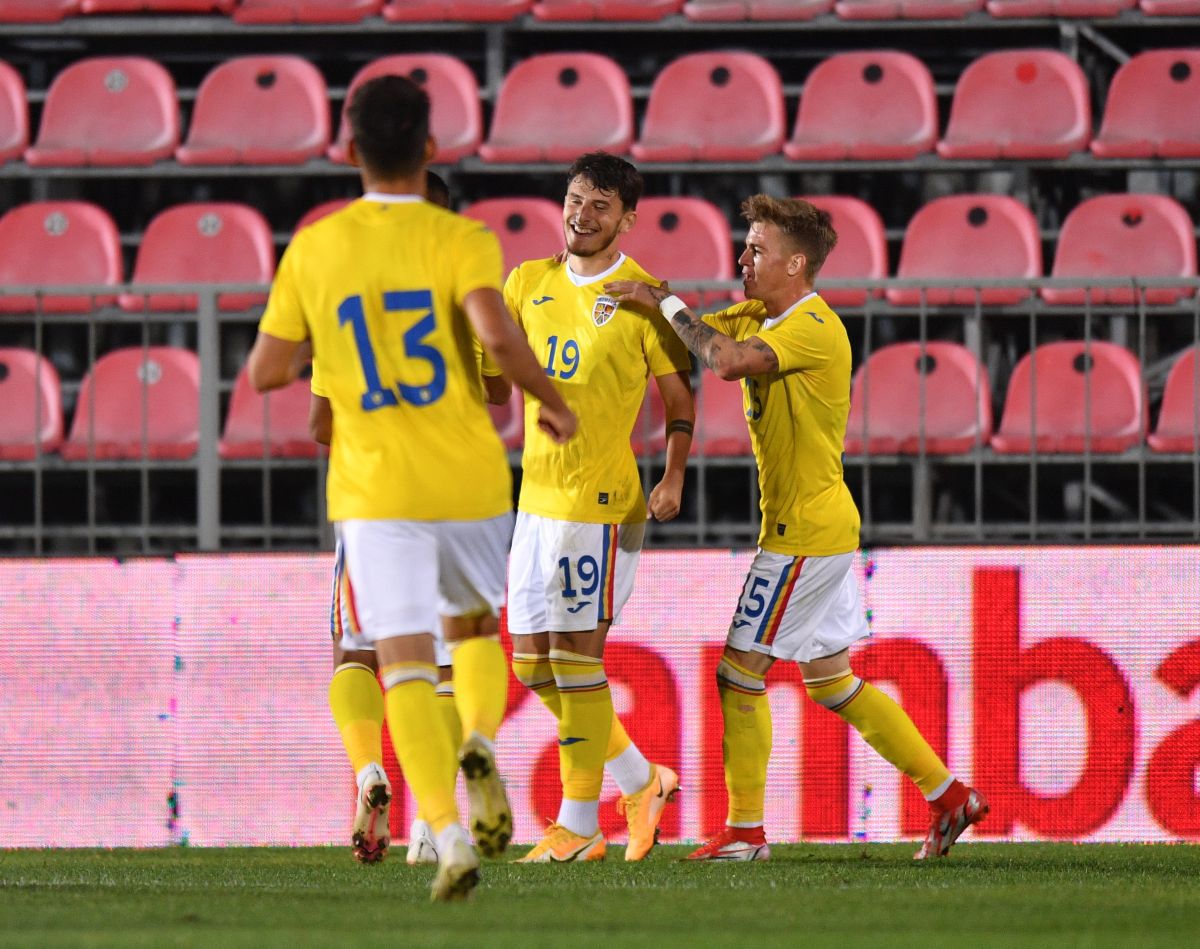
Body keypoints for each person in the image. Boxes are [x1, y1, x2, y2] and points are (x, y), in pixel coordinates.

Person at [246, 75, 576, 901]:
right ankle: (478, 739)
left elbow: (265, 371)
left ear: (348, 150)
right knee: (470, 632)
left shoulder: (316, 249)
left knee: (395, 662)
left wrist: (324, 339)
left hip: (373, 487)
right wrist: (554, 400)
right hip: (465, 474)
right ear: (431, 149)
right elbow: (497, 337)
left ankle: (448, 831)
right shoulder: (462, 239)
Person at [606, 195, 987, 862]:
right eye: (744, 246)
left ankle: (747, 832)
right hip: (820, 524)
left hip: (802, 533)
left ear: (796, 262)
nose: (743, 259)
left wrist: (660, 301)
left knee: (737, 673)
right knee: (832, 681)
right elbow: (694, 336)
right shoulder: (764, 312)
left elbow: (722, 360)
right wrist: (638, 306)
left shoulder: (815, 327)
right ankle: (951, 795)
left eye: (756, 248)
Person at [504, 152, 695, 863]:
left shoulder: (644, 296)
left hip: (604, 504)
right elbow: (497, 382)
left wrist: (671, 476)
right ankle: (642, 779)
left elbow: (680, 401)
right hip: (535, 503)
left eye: (600, 207)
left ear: (628, 219)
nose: (582, 217)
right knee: (531, 667)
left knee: (578, 663)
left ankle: (578, 823)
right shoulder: (527, 281)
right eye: (576, 200)